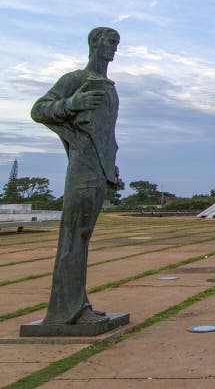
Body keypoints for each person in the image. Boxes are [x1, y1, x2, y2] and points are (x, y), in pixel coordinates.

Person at [30, 27, 124, 326]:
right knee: (72, 238)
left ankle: (77, 305)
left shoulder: (108, 86)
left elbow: (105, 134)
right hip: (82, 166)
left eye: (116, 44)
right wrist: (71, 104)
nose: (113, 48)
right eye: (110, 42)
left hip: (97, 167)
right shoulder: (76, 80)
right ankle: (63, 311)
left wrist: (111, 164)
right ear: (94, 43)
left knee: (81, 238)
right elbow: (39, 109)